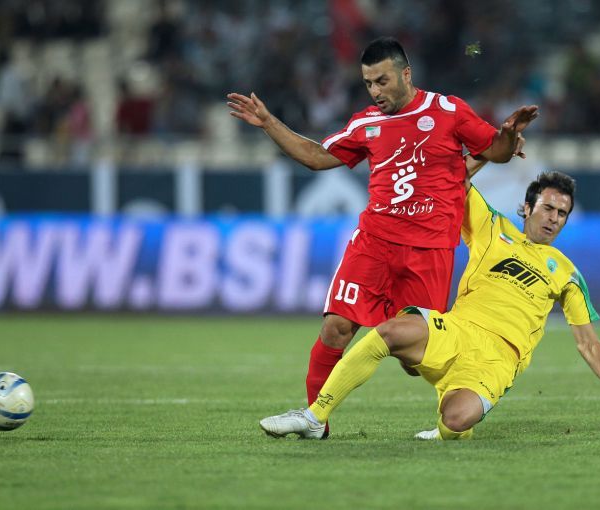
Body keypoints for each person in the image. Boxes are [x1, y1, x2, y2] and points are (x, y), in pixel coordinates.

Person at [228, 37, 539, 436]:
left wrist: (509, 135)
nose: (375, 91)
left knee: (414, 360)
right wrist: (269, 123)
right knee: (336, 327)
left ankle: (472, 394)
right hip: (374, 243)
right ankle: (315, 419)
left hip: (429, 251)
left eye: (382, 81)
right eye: (368, 83)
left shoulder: (448, 111)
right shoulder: (365, 124)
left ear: (406, 74)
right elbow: (316, 157)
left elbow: (496, 150)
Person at [259, 171, 600, 440]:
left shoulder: (567, 272)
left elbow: (587, 341)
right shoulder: (492, 228)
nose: (554, 219)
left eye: (562, 213)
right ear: (527, 207)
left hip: (498, 360)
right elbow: (455, 178)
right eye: (548, 208)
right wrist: (487, 140)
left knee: (455, 420)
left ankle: (449, 427)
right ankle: (315, 416)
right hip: (456, 330)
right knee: (390, 331)